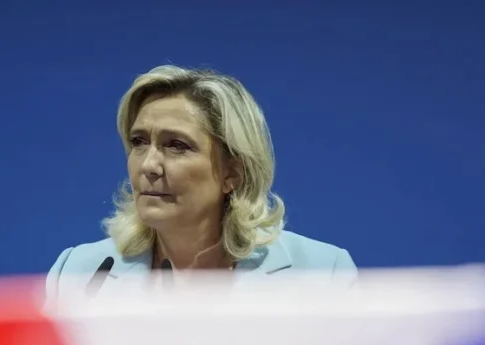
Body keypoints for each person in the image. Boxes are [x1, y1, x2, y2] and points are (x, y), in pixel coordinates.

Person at [45, 65, 356, 308]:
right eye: (138, 142)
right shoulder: (80, 275)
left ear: (233, 172)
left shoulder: (321, 275)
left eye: (176, 145)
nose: (149, 165)